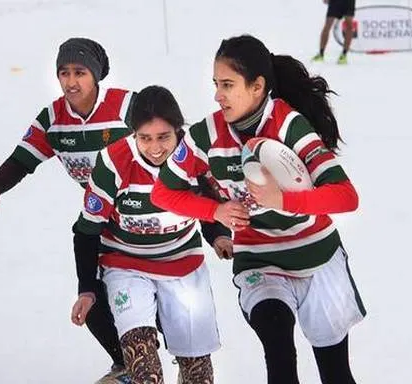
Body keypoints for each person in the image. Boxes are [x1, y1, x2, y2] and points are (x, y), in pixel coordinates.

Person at [151, 35, 367, 384]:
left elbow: (345, 196)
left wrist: (283, 200)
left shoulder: (289, 125)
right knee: (279, 348)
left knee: (335, 373)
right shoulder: (205, 135)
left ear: (257, 87)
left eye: (227, 85)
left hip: (317, 256)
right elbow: (163, 193)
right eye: (215, 85)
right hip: (260, 260)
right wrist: (216, 211)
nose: (217, 95)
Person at [0, 37, 136, 383]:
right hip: (101, 225)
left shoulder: (125, 107)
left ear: (95, 76)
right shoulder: (54, 119)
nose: (71, 81)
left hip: (145, 219)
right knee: (92, 300)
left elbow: (171, 138)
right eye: (64, 73)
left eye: (79, 72)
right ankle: (127, 366)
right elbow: (23, 157)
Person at [71, 85, 231, 384]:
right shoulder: (113, 162)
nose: (155, 148)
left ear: (178, 131)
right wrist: (87, 289)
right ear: (133, 134)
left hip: (183, 264)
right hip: (126, 265)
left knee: (199, 377)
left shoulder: (195, 158)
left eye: (163, 137)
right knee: (146, 374)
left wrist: (219, 236)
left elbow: (211, 206)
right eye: (145, 138)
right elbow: (86, 230)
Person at [312, 0, 356, 64]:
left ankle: (344, 54)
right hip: (335, 2)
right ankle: (321, 53)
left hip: (348, 2)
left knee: (349, 26)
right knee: (328, 25)